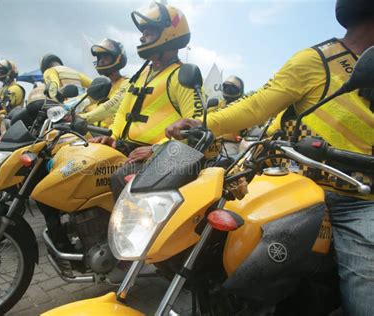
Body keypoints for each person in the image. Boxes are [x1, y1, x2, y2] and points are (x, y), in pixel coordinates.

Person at [165, 1, 374, 314]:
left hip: (356, 200)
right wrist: (204, 123)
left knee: (365, 298)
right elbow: (258, 104)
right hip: (289, 185)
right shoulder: (317, 60)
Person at [90, 2, 202, 199]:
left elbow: (196, 126)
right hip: (128, 147)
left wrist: (156, 149)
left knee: (120, 179)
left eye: (149, 32)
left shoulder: (181, 75)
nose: (142, 37)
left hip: (164, 153)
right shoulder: (141, 74)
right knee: (87, 164)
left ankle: (125, 228)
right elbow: (123, 112)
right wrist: (112, 137)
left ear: (170, 34)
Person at [79, 38, 130, 127]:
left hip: (111, 135)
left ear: (117, 58)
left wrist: (82, 118)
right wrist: (64, 108)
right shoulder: (102, 84)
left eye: (106, 57)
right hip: (91, 132)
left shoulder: (127, 83)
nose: (101, 61)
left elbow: (111, 106)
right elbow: (83, 100)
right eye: (100, 58)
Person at [219, 75, 245, 155]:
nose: (227, 90)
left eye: (232, 88)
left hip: (231, 144)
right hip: (212, 143)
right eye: (225, 86)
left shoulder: (244, 107)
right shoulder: (217, 104)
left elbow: (253, 130)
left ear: (240, 91)